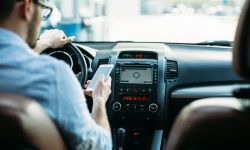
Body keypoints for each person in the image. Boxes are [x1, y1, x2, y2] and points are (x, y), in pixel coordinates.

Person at [0, 0, 112, 150]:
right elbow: (100, 147)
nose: (41, 19)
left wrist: (44, 42)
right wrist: (99, 102)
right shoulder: (52, 76)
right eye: (43, 10)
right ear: (27, 7)